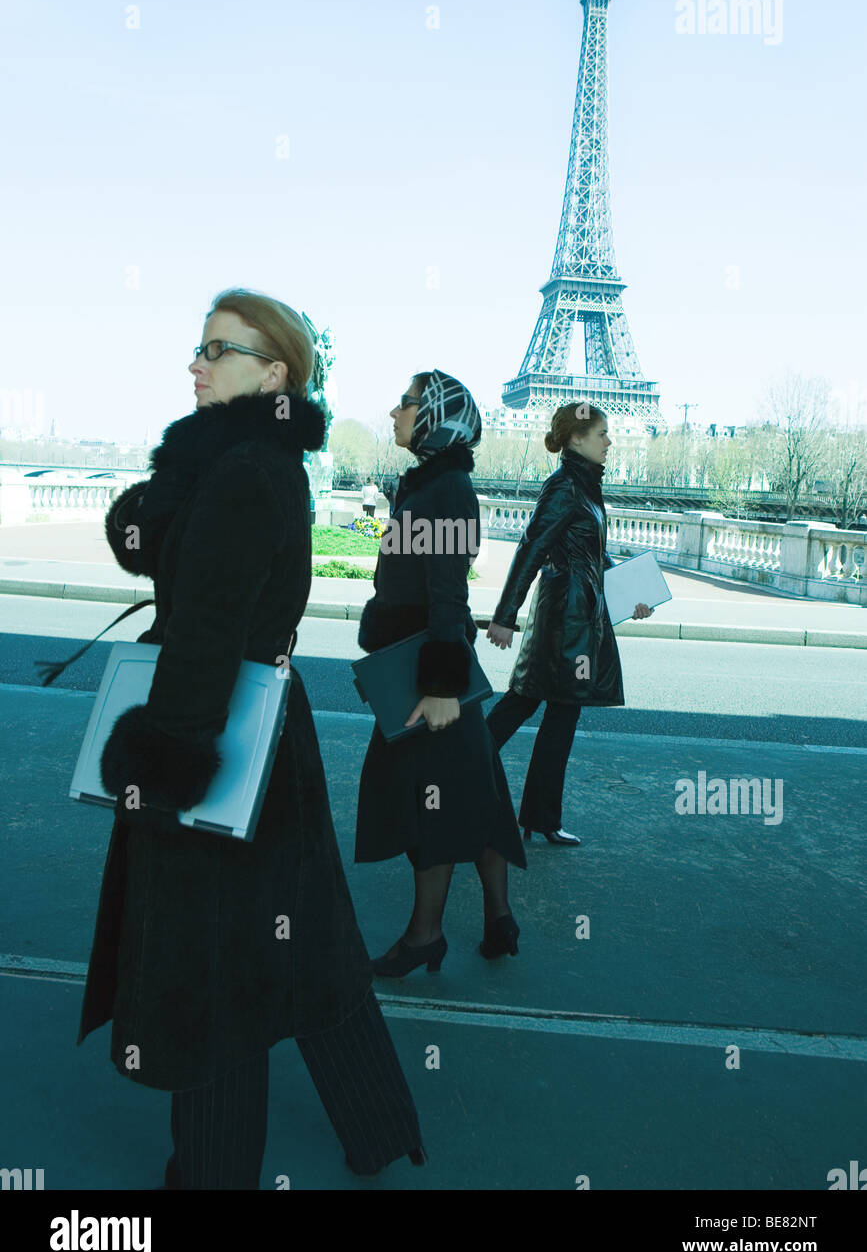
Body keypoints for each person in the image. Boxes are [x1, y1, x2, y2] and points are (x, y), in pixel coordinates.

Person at [68, 288, 426, 1187]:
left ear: (273, 373)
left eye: (217, 350)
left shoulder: (246, 473)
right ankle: (379, 1128)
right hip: (268, 736)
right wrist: (178, 467)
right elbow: (145, 546)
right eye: (197, 348)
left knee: (209, 964)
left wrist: (162, 764)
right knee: (305, 943)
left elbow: (206, 632)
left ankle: (211, 1173)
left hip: (215, 735)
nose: (195, 363)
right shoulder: (244, 463)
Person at [354, 370, 527, 975]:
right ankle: (499, 918)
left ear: (436, 416)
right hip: (430, 665)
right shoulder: (434, 485)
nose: (395, 411)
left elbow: (448, 593)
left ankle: (426, 935)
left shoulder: (445, 490)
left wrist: (438, 688)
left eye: (406, 403)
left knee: (431, 808)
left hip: (432, 679)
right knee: (474, 798)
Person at [485, 402, 654, 845]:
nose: (609, 441)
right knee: (525, 707)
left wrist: (633, 595)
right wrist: (505, 616)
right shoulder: (564, 487)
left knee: (551, 715)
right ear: (577, 439)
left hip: (579, 620)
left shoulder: (585, 486)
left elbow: (594, 557)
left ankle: (538, 818)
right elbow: (531, 548)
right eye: (603, 433)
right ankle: (455, 784)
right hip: (563, 622)